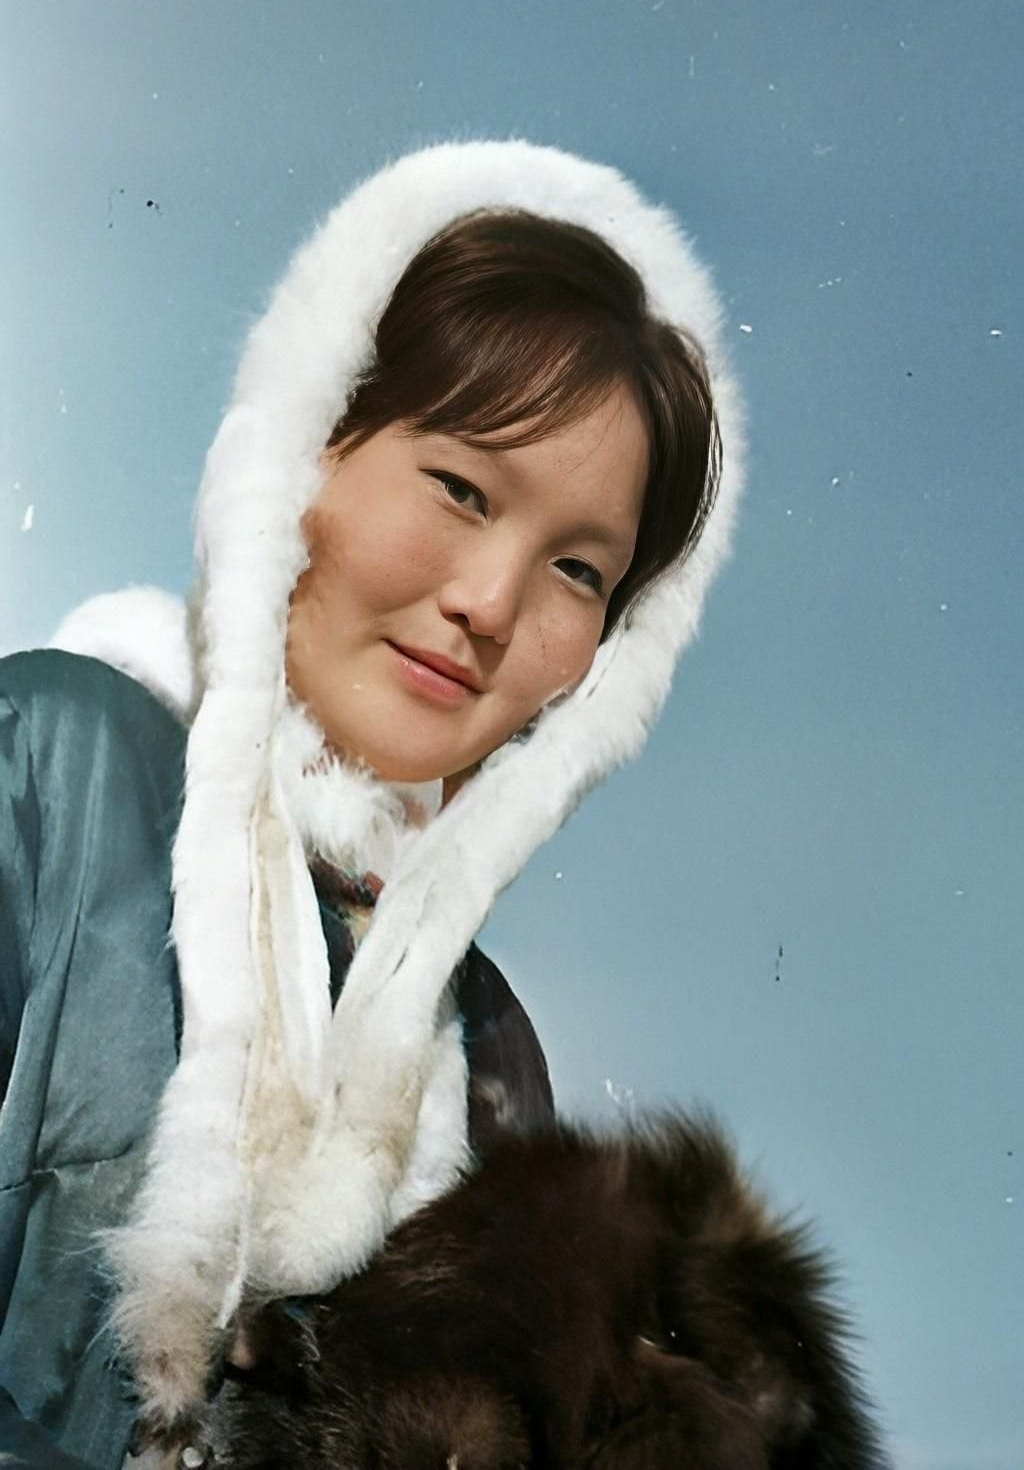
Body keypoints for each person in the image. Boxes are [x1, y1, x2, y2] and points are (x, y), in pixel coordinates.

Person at [0, 138, 744, 1467]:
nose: (491, 603)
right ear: (309, 448)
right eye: (461, 488)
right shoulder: (50, 761)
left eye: (580, 571)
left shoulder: (487, 1050)